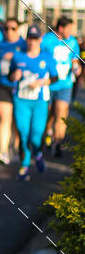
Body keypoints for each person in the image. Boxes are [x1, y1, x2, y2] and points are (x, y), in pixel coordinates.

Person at [9, 25, 57, 181]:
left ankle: (37, 153)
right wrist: (14, 75)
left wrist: (43, 82)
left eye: (35, 39)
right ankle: (24, 166)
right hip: (21, 100)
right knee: (23, 133)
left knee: (36, 135)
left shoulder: (47, 57)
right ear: (27, 39)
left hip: (40, 101)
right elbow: (10, 75)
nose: (32, 42)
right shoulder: (18, 57)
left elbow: (55, 77)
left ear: (40, 39)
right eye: (30, 38)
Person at [41, 16, 81, 158]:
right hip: (48, 84)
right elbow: (39, 57)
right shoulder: (47, 40)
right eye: (69, 28)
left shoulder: (72, 42)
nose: (71, 31)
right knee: (49, 114)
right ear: (60, 28)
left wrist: (77, 68)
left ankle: (57, 143)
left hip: (65, 85)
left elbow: (75, 60)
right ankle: (48, 134)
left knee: (61, 113)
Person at [0, 17, 26, 165]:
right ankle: (3, 151)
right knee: (4, 118)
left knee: (17, 121)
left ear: (18, 29)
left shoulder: (23, 44)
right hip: (3, 85)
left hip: (20, 87)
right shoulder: (0, 45)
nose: (9, 32)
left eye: (13, 28)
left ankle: (17, 146)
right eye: (6, 28)